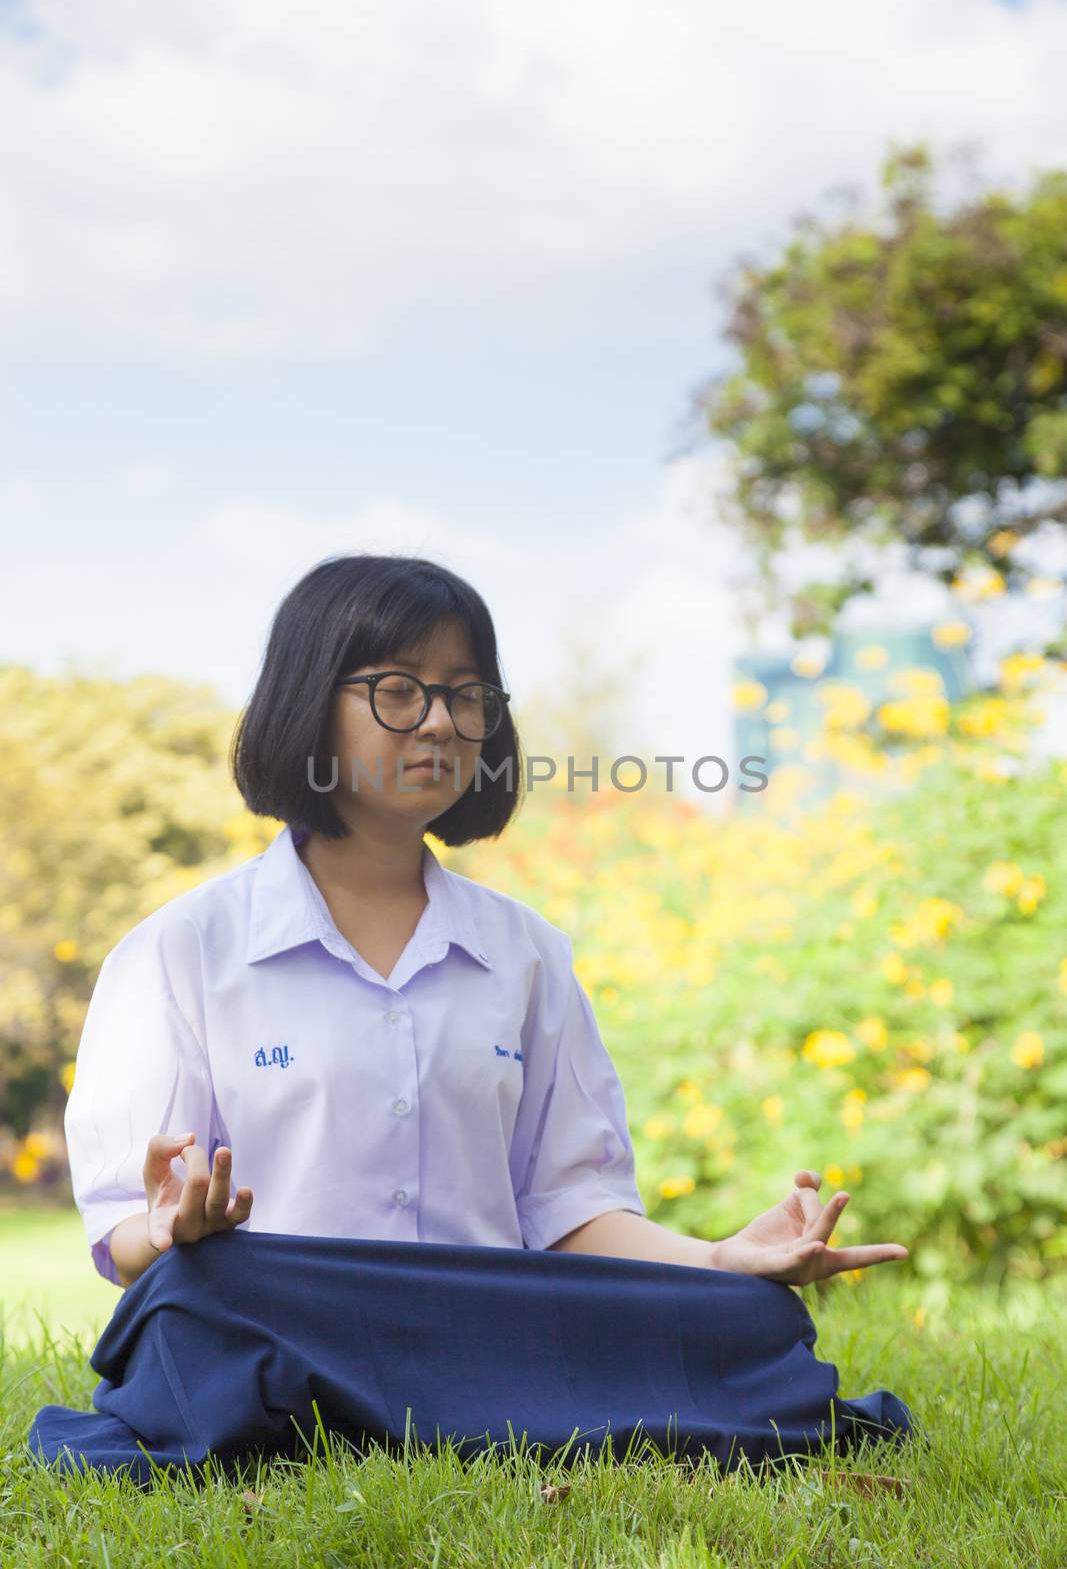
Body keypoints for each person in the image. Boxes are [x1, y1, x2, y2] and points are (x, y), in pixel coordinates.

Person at [64, 553, 909, 1293]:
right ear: (308, 705)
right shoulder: (178, 953)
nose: (439, 720)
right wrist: (171, 1227)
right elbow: (125, 1225)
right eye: (398, 690)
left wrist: (723, 1262)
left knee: (764, 1359)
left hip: (489, 1352)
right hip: (270, 1348)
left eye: (466, 696)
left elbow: (569, 1208)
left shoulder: (526, 954)